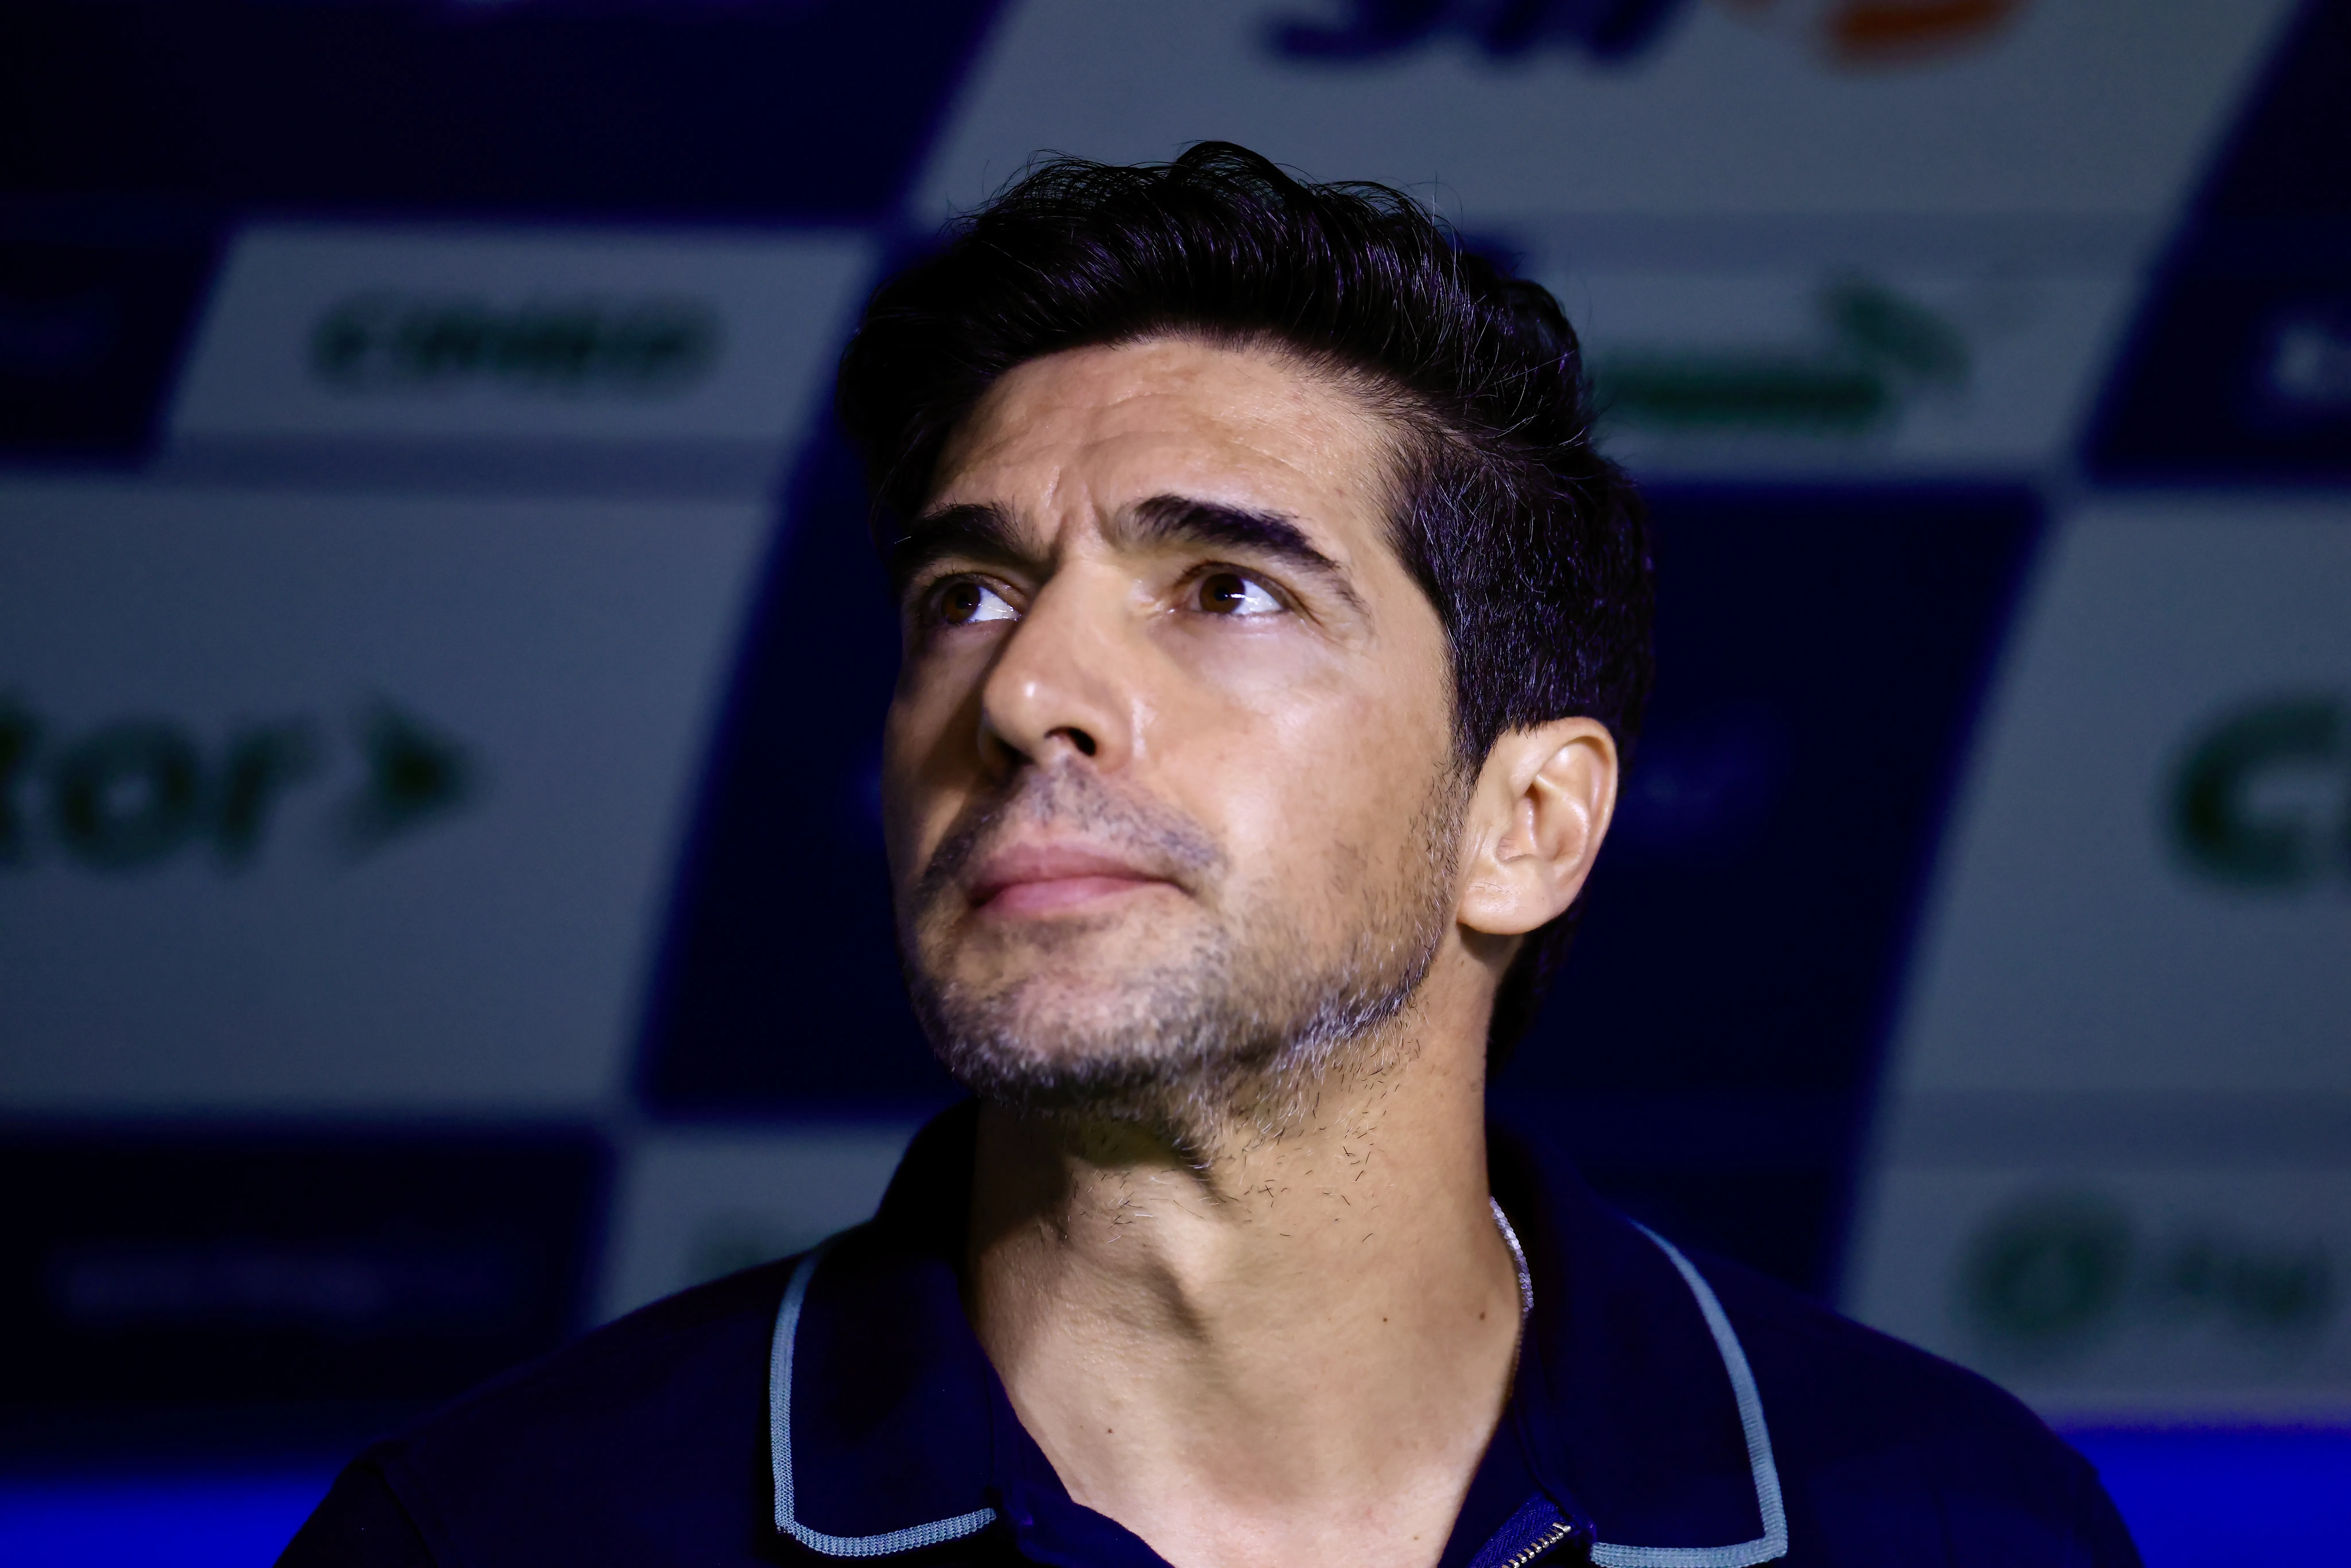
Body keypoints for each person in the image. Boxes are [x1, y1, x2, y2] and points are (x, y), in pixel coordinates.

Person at [281, 144, 2139, 1568]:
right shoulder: (497, 1536)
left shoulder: (1948, 1523)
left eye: (1226, 589)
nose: (1028, 689)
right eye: (970, 590)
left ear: (1530, 822)